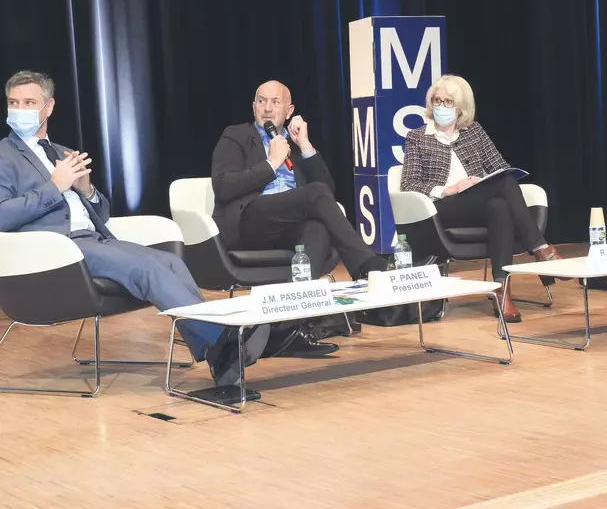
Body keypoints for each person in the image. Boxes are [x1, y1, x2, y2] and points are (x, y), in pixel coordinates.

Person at [0, 70, 268, 387]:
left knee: (172, 262)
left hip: (94, 239)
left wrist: (86, 191)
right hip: (57, 251)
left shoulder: (61, 152)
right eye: (14, 102)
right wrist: (54, 188)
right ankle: (224, 343)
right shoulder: (5, 154)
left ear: (49, 107)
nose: (20, 110)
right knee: (147, 269)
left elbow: (101, 212)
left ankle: (218, 356)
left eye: (29, 102)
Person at [211, 80, 392, 352]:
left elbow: (326, 195)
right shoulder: (236, 135)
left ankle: (289, 329)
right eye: (262, 101)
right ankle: (368, 266)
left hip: (288, 229)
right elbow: (224, 187)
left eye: (275, 102)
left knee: (318, 228)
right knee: (314, 196)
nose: (268, 109)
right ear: (253, 107)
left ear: (289, 110)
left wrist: (305, 145)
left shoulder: (293, 143)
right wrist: (271, 163)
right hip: (250, 220)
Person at [400, 74, 565, 323]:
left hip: (477, 203)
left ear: (461, 108)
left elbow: (500, 167)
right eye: (437, 100)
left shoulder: (473, 131)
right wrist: (450, 188)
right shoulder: (417, 137)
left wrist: (482, 183)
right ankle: (541, 247)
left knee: (499, 204)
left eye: (448, 102)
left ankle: (502, 290)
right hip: (440, 209)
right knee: (503, 187)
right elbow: (409, 184)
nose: (441, 107)